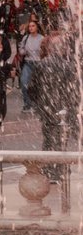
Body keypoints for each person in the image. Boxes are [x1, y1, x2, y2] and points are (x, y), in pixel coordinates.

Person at [29, 29, 80, 170]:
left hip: (47, 110)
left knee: (48, 140)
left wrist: (40, 105)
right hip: (64, 111)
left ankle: (50, 170)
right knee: (62, 141)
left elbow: (31, 89)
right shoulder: (69, 66)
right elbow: (75, 92)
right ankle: (61, 170)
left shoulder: (41, 65)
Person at [16, 14, 45, 113]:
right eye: (30, 26)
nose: (31, 28)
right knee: (24, 83)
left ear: (37, 27)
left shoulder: (42, 38)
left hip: (39, 64)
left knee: (38, 85)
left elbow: (45, 51)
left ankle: (38, 104)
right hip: (28, 63)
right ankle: (27, 104)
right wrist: (22, 52)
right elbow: (21, 49)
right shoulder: (26, 38)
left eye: (33, 26)